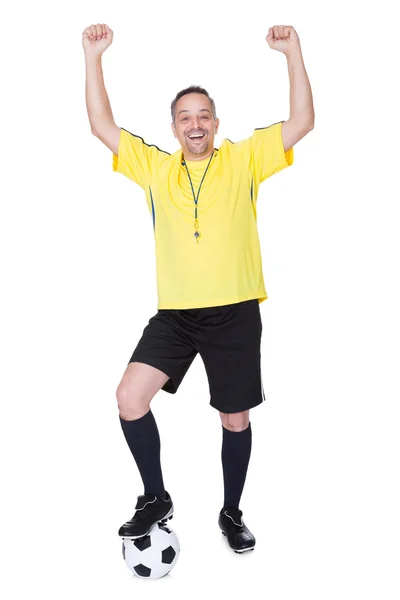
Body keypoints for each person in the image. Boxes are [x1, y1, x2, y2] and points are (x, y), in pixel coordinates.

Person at [83, 22, 314, 554]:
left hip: (234, 312)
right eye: (185, 117)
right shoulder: (155, 168)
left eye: (203, 116)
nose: (195, 124)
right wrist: (93, 55)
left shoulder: (243, 158)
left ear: (215, 124)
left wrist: (292, 51)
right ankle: (155, 497)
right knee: (128, 397)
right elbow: (100, 124)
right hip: (177, 317)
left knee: (234, 417)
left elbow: (303, 121)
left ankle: (231, 513)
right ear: (173, 126)